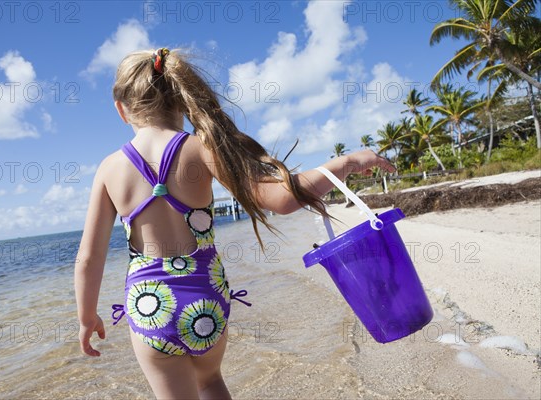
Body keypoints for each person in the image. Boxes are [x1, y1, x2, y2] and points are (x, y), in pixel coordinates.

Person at [74, 48, 395, 400]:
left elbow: (89, 258)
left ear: (121, 110)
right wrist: (345, 162)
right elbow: (284, 199)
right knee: (210, 382)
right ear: (181, 101)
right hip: (204, 301)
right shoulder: (201, 148)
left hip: (150, 308)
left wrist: (87, 316)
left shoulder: (109, 169)